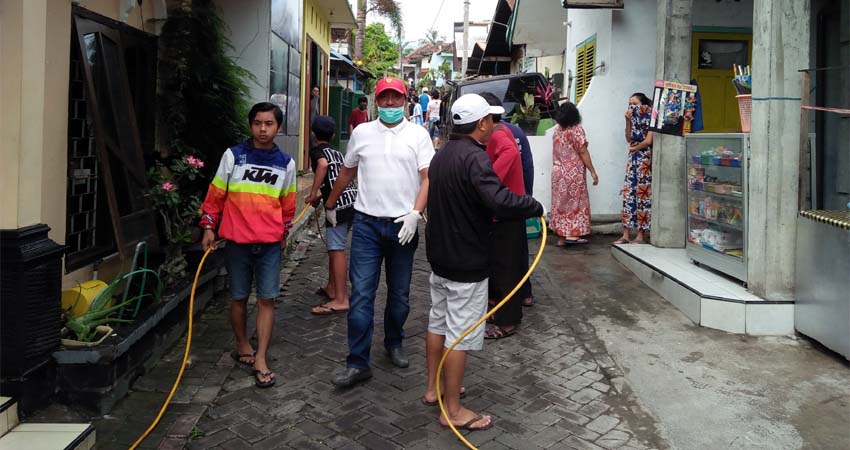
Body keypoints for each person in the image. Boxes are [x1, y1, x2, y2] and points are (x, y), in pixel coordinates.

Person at [424, 93, 543, 431]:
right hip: (466, 261)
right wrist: (532, 205)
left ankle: (434, 389)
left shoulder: (443, 154)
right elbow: (499, 201)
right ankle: (454, 410)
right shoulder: (475, 159)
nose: (494, 124)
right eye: (491, 119)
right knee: (459, 334)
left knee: (437, 323)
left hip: (441, 258)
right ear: (481, 124)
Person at [323, 77, 435, 387]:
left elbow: (428, 178)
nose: (389, 104)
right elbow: (347, 170)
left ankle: (394, 342)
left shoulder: (418, 135)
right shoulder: (361, 133)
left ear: (404, 101)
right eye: (383, 98)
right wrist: (331, 203)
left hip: (403, 226)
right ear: (375, 101)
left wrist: (415, 214)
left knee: (399, 294)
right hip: (366, 226)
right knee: (361, 295)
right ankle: (358, 362)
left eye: (395, 98)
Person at [199, 102, 297, 389]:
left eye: (269, 124)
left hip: (268, 244)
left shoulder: (287, 164)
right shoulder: (234, 156)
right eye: (257, 123)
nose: (263, 129)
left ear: (278, 127)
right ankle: (243, 344)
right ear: (250, 125)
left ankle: (262, 357)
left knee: (267, 299)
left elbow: (287, 206)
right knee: (238, 297)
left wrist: (283, 233)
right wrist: (208, 226)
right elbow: (215, 195)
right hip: (236, 243)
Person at [480, 92, 536, 307]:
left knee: (504, 256)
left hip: (504, 203)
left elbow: (511, 156)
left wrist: (489, 183)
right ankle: (524, 294)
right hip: (515, 200)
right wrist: (526, 197)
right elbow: (527, 166)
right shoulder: (514, 130)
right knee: (517, 251)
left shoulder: (496, 134)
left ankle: (507, 303)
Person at [307, 116, 358, 315]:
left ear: (313, 134)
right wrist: (323, 194)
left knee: (336, 249)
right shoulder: (337, 152)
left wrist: (313, 194)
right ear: (334, 135)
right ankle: (331, 287)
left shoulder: (317, 151)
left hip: (338, 205)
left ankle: (341, 298)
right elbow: (343, 174)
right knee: (332, 247)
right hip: (351, 200)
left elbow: (322, 166)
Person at [550, 102, 599, 247]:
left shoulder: (558, 130)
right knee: (574, 203)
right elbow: (583, 152)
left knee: (560, 204)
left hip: (558, 173)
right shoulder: (576, 130)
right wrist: (592, 171)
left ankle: (561, 237)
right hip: (573, 174)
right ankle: (572, 236)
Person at [615, 93, 654, 244]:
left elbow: (648, 140)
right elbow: (628, 137)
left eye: (635, 104)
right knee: (629, 194)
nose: (632, 107)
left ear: (643, 105)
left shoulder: (651, 117)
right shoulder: (633, 118)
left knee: (642, 196)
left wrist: (634, 148)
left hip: (644, 158)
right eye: (630, 104)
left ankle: (640, 235)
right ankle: (626, 234)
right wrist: (628, 121)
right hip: (633, 158)